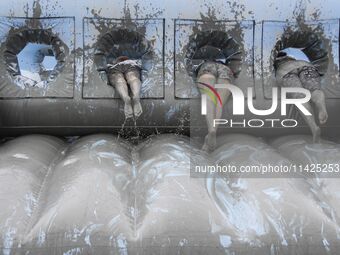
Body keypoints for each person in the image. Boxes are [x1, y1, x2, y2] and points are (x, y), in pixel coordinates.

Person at [186, 31, 242, 152]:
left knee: (209, 98)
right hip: (224, 69)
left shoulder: (202, 57)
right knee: (219, 102)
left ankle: (211, 129)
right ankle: (213, 131)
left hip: (207, 67)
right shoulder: (225, 58)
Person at [95, 29, 153, 119]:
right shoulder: (132, 61)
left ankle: (126, 98)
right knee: (133, 78)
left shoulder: (113, 64)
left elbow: (101, 62)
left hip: (115, 68)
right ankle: (136, 96)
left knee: (118, 80)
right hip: (131, 65)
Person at [275, 47, 328, 142]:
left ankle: (314, 127)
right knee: (314, 90)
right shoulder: (292, 57)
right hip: (305, 66)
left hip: (285, 70)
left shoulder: (275, 59)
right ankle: (321, 108)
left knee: (300, 97)